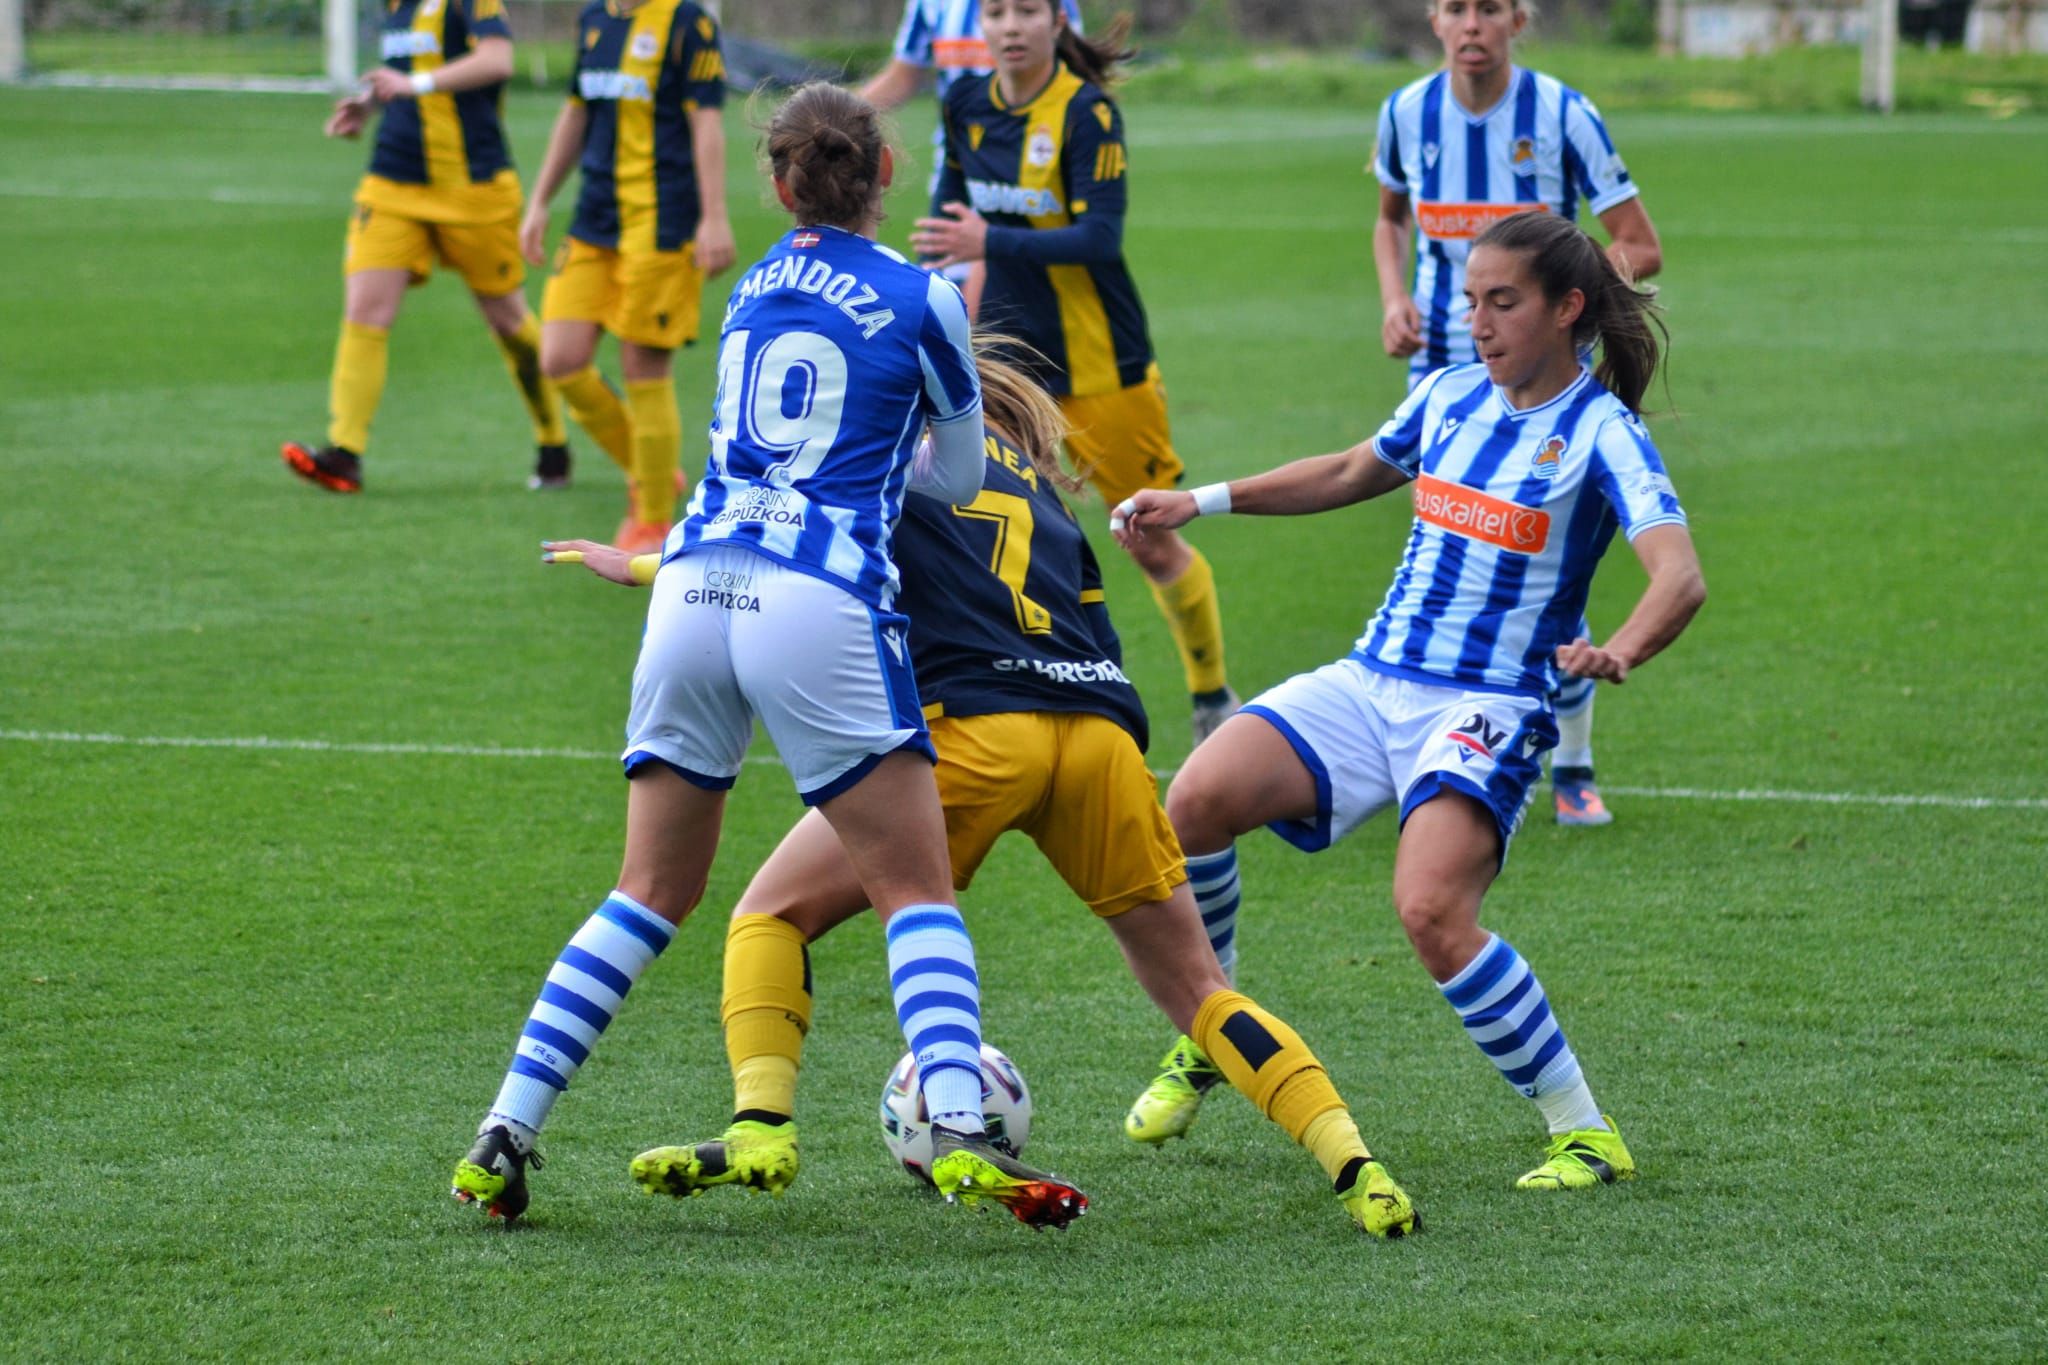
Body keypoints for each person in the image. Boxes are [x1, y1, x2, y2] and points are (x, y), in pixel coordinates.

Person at [549, 345, 1419, 1238]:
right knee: (1199, 988)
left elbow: (785, 558)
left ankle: (762, 1127)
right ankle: (1356, 1164)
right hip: (1099, 737)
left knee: (770, 915)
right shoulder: (1039, 486)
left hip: (972, 730)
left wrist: (647, 568)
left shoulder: (882, 455)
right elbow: (1098, 624)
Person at [449, 84, 1085, 1229]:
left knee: (648, 891)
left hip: (691, 590)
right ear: (885, 171)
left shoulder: (750, 289)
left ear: (780, 184)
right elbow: (949, 480)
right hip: (817, 601)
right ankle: (958, 1125)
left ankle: (506, 1126)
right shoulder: (925, 296)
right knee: (912, 888)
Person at [1113, 211, 1705, 1189]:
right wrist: (1202, 499)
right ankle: (1214, 1026)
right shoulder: (1447, 394)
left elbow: (1675, 575)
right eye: (1469, 300)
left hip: (1490, 703)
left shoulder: (1601, 431)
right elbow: (1351, 470)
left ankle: (1585, 1133)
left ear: (1565, 310)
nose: (1476, 320)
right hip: (1371, 678)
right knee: (1191, 805)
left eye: (1501, 302)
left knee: (1431, 912)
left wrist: (1620, 650)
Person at [909, 0, 1240, 747]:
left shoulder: (1086, 111)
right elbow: (945, 225)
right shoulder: (964, 102)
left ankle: (1212, 692)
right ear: (980, 27)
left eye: (1028, 9)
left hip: (1102, 366)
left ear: (1058, 21)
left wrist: (987, 236)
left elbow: (1100, 236)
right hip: (1007, 365)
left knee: (1148, 534)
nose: (1011, 25)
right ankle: (998, 683)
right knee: (983, 523)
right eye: (996, 11)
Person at [1371, 0, 1664, 824]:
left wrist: (1564, 308)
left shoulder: (1564, 114)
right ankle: (1447, 741)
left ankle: (1569, 758)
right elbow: (1389, 220)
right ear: (1433, 20)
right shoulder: (1404, 112)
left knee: (1533, 558)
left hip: (1543, 379)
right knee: (1458, 558)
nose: (1472, 25)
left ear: (1518, 20)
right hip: (1443, 374)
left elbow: (1640, 244)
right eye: (1456, 8)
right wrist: (1394, 298)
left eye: (1489, 9)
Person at [282, 0, 571, 494]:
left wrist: (413, 85)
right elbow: (403, 73)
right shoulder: (395, 6)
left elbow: (498, 59)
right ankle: (344, 454)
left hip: (474, 186)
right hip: (392, 182)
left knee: (506, 319)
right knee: (365, 311)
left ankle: (553, 440)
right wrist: (370, 105)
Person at [517, 0, 737, 552]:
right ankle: (653, 470)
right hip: (593, 222)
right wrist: (540, 200)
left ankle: (653, 520)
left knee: (642, 365)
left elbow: (706, 121)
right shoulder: (594, 20)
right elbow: (577, 112)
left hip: (662, 223)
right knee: (560, 360)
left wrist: (713, 217)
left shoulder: (688, 22)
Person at [855, 0, 1083, 317]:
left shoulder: (1047, 10)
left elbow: (1070, 79)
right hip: (955, 180)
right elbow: (903, 75)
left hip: (1027, 187)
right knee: (934, 317)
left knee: (993, 326)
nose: (1010, 25)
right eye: (995, 15)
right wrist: (831, 114)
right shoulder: (932, 5)